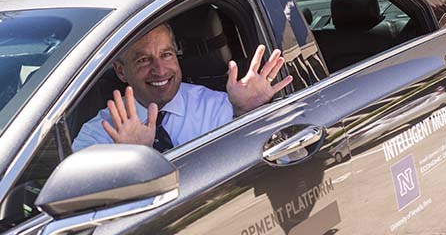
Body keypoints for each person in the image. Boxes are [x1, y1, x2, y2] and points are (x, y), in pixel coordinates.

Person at [72, 23, 293, 152]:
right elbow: (78, 208)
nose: (159, 69)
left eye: (166, 55)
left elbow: (275, 162)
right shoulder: (99, 134)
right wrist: (132, 159)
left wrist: (249, 114)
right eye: (142, 60)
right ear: (121, 71)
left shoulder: (219, 106)